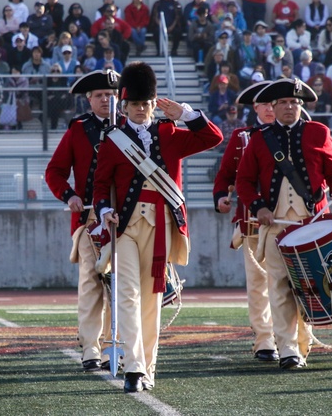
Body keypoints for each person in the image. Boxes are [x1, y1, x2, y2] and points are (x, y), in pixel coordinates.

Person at [94, 62, 222, 392]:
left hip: (161, 223)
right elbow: (99, 186)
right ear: (124, 106)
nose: (140, 109)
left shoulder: (170, 134)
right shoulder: (112, 141)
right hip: (124, 226)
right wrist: (105, 209)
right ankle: (134, 368)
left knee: (152, 299)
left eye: (145, 104)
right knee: (127, 295)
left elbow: (213, 137)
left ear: (154, 104)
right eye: (134, 104)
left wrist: (187, 114)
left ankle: (147, 367)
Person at [235, 78, 332, 370]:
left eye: (295, 103)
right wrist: (258, 206)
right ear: (273, 107)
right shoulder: (260, 138)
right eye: (284, 102)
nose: (290, 107)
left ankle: (302, 343)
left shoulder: (317, 132)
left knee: (309, 287)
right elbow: (244, 181)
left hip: (311, 225)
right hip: (275, 227)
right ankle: (287, 349)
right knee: (280, 286)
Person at [44, 69, 119, 371]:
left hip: (125, 220)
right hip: (88, 219)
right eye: (100, 95)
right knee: (91, 283)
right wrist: (69, 196)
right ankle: (90, 348)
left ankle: (117, 348)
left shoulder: (132, 127)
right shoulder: (78, 130)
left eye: (111, 95)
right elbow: (54, 172)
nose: (106, 100)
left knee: (121, 286)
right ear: (89, 100)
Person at [212, 80, 279, 362]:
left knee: (296, 281)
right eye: (264, 104)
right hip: (252, 221)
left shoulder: (298, 133)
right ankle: (265, 339)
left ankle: (299, 335)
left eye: (274, 103)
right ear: (255, 107)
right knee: (258, 283)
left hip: (290, 221)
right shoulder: (241, 137)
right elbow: (225, 175)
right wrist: (220, 199)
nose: (270, 108)